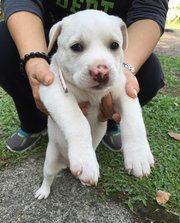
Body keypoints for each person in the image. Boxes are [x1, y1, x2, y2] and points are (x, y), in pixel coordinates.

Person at [0, 0, 168, 153]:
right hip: (50, 37)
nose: (99, 71)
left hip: (112, 29)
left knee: (149, 72)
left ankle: (107, 120)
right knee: (4, 45)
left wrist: (126, 68)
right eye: (79, 47)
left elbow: (150, 10)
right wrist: (34, 59)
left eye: (114, 45)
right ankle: (35, 122)